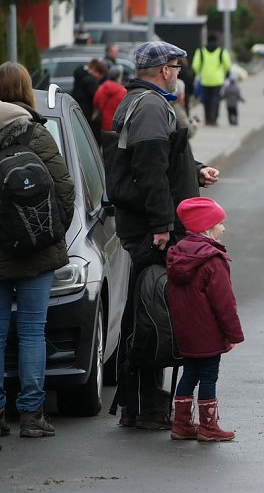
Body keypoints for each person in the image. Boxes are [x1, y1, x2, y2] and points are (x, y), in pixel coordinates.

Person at [109, 41, 220, 430]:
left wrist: (197, 169)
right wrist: (161, 227)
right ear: (163, 70)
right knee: (149, 316)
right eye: (176, 66)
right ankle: (142, 406)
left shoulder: (144, 102)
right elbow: (150, 172)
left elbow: (165, 161)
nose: (179, 72)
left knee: (148, 312)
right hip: (151, 229)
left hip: (150, 223)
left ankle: (143, 404)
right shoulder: (153, 106)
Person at [0, 62, 75, 438]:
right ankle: (31, 416)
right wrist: (52, 232)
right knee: (32, 331)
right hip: (36, 249)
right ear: (27, 92)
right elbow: (64, 188)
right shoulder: (38, 134)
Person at [167, 197, 244, 442]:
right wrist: (233, 334)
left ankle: (181, 424)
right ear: (207, 227)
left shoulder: (177, 255)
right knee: (209, 376)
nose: (224, 228)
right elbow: (224, 302)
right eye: (220, 223)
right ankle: (209, 427)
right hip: (208, 330)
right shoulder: (212, 261)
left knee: (189, 373)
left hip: (185, 329)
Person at [192, 34, 232, 126]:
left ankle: (207, 119)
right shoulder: (221, 51)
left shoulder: (201, 51)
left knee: (206, 101)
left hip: (205, 80)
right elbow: (227, 65)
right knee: (215, 100)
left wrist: (198, 73)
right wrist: (226, 74)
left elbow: (195, 66)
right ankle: (214, 119)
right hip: (217, 80)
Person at [70, 58, 106, 143]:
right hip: (87, 110)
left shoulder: (80, 73)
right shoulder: (90, 81)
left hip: (77, 106)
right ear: (95, 71)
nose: (99, 79)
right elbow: (98, 97)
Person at [93, 65, 127, 143]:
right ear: (118, 76)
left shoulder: (101, 88)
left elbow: (96, 103)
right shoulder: (123, 91)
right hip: (117, 128)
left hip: (104, 126)